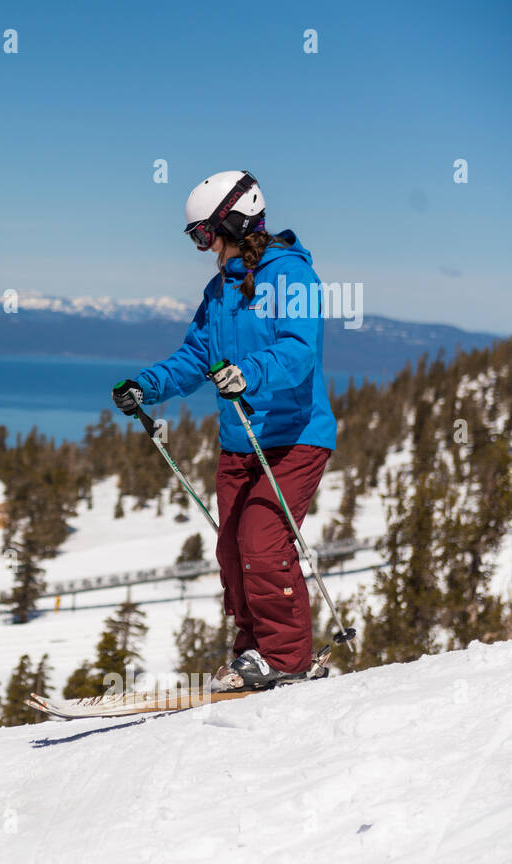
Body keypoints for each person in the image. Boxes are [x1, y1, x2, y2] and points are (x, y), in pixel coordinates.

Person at [111, 170, 336, 689]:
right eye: (195, 237)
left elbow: (300, 351)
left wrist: (248, 373)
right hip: (240, 444)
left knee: (262, 541)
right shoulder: (218, 291)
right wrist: (146, 386)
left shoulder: (293, 278)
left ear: (232, 222)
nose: (201, 247)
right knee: (233, 550)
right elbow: (195, 357)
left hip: (295, 437)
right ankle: (251, 652)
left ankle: (286, 659)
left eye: (203, 234)